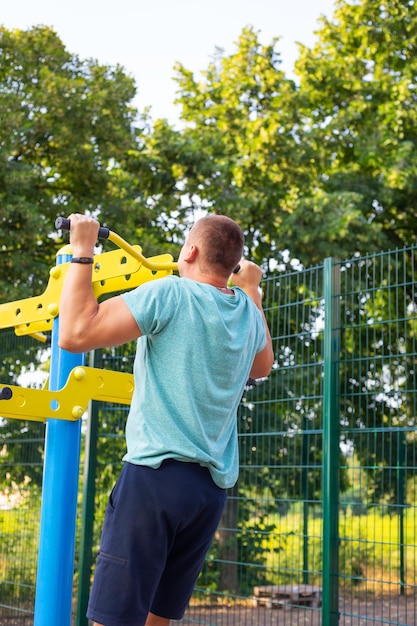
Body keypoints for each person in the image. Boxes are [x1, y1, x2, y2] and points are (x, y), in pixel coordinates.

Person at [58, 213, 274, 626]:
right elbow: (262, 365)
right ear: (231, 266)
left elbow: (75, 333)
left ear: (189, 251)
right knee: (158, 620)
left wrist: (82, 250)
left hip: (155, 481)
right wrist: (251, 288)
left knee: (113, 620)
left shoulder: (171, 293)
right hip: (208, 493)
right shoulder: (246, 311)